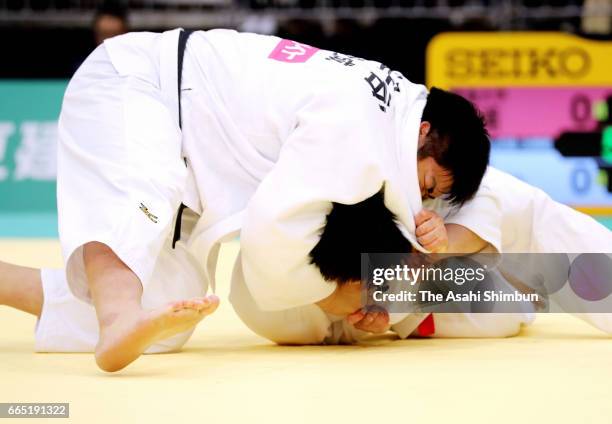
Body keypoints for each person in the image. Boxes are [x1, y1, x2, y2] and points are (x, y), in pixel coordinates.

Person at [1, 29, 490, 372]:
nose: (422, 204)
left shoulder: (384, 117)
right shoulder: (363, 120)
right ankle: (117, 319)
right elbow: (268, 241)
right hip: (141, 83)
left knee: (167, 317)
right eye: (427, 186)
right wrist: (332, 296)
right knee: (141, 198)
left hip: (189, 148)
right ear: (422, 131)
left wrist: (368, 292)